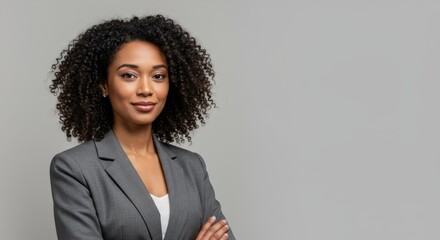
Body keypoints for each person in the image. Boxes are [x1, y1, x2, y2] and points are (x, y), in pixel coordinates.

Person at [49, 15, 235, 240]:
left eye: (158, 76)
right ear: (104, 84)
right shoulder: (75, 168)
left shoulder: (192, 166)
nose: (146, 89)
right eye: (129, 75)